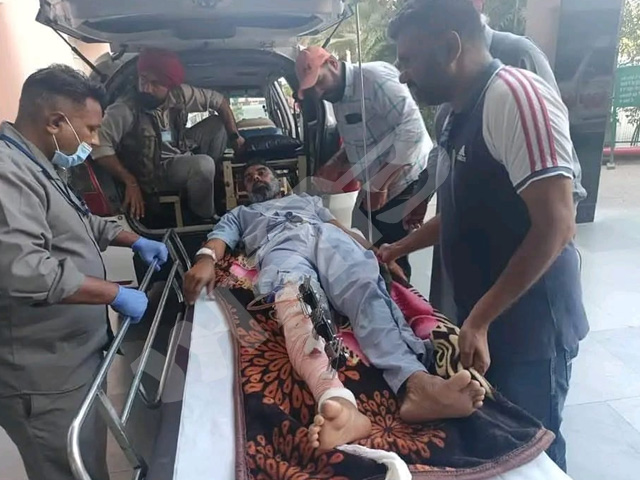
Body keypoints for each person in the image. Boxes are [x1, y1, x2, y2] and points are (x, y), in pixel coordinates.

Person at [379, 0, 589, 471]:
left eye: (409, 59)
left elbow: (557, 224)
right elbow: (461, 210)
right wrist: (398, 248)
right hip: (489, 319)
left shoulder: (515, 98)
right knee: (500, 442)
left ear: (450, 47)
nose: (403, 74)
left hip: (532, 326)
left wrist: (480, 319)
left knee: (534, 449)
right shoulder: (455, 114)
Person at [183, 159, 486, 447]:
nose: (256, 178)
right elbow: (218, 239)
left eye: (261, 172)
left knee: (363, 287)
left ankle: (415, 384)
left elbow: (341, 229)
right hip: (280, 248)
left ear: (278, 180)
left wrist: (382, 254)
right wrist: (206, 259)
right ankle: (336, 401)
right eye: (249, 178)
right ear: (245, 190)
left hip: (325, 237)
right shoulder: (240, 214)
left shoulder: (307, 201)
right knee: (297, 302)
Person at [0, 65, 169, 480]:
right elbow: (26, 271)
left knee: (90, 462)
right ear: (55, 122)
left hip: (72, 357)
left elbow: (78, 221)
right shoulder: (7, 173)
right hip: (42, 376)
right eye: (91, 129)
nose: (94, 141)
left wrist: (134, 239)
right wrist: (113, 293)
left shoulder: (37, 163)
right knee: (66, 469)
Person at [295, 46, 433, 280]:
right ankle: (381, 291)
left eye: (319, 81)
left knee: (392, 254)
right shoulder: (337, 96)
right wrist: (335, 163)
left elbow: (412, 131)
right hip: (373, 185)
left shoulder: (373, 79)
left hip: (405, 179)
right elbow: (359, 141)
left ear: (333, 63)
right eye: (312, 88)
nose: (318, 92)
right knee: (369, 247)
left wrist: (381, 182)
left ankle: (402, 299)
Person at [92, 48, 245, 221]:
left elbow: (219, 101)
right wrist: (129, 180)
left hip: (180, 149)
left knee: (217, 124)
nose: (146, 88)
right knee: (204, 165)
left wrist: (235, 137)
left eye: (155, 83)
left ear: (169, 86)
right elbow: (98, 144)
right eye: (143, 79)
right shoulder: (125, 109)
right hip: (154, 171)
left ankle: (205, 185)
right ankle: (203, 217)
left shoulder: (180, 94)